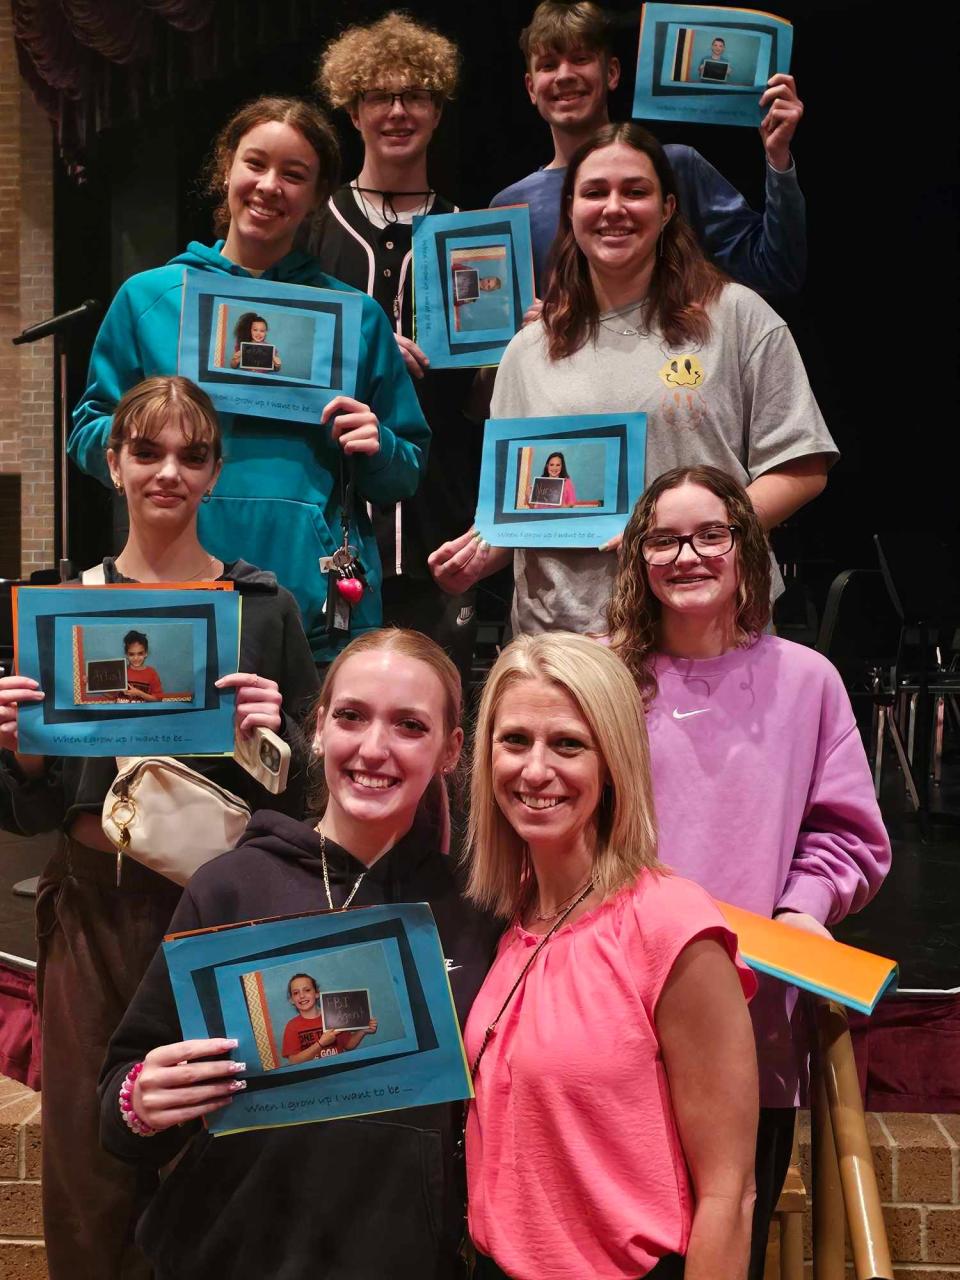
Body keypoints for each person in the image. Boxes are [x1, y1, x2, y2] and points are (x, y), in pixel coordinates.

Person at [0, 375, 320, 1280]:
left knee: (216, 1152)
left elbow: (303, 800)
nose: (168, 471)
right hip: (94, 919)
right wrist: (22, 755)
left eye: (190, 454)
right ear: (114, 463)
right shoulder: (63, 610)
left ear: (215, 472)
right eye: (147, 451)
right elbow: (32, 812)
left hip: (220, 917)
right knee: (87, 1171)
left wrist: (277, 738)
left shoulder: (264, 610)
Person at [97, 628, 500, 1280]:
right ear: (317, 728)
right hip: (228, 1254)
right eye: (351, 716)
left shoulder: (474, 912)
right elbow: (120, 1103)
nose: (374, 748)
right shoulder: (229, 887)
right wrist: (141, 1101)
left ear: (451, 750)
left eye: (409, 726)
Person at [607, 465, 892, 1280]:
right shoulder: (600, 676)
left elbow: (846, 835)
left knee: (724, 1239)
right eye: (663, 538)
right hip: (615, 1015)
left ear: (745, 546)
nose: (687, 555)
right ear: (638, 556)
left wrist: (807, 905)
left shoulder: (808, 682)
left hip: (750, 1020)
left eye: (710, 534)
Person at [429, 124, 836, 639]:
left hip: (707, 628)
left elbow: (803, 467)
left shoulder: (737, 317)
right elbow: (525, 509)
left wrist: (692, 535)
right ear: (570, 211)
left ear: (667, 209)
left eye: (635, 191)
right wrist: (480, 552)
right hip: (563, 644)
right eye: (595, 192)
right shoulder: (526, 353)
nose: (614, 208)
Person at [68, 95, 429, 666]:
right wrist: (144, 432)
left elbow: (406, 471)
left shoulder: (355, 317)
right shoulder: (149, 298)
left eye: (294, 175)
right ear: (226, 170)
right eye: (255, 164)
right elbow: (88, 436)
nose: (269, 186)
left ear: (315, 197)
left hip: (319, 611)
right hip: (174, 596)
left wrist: (378, 444)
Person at [464, 632, 759, 1280]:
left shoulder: (668, 923)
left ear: (612, 761)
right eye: (515, 741)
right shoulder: (498, 920)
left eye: (567, 743)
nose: (535, 770)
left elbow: (729, 1196)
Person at [315, 13, 481, 683]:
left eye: (415, 95)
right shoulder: (312, 227)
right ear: (352, 110)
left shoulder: (475, 235)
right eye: (379, 96)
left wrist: (514, 350)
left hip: (442, 515)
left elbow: (485, 402)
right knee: (335, 708)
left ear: (438, 109)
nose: (397, 110)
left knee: (437, 710)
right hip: (336, 522)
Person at [491, 0, 806, 295]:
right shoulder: (512, 207)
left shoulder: (676, 167)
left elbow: (775, 269)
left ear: (612, 73)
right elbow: (493, 327)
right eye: (548, 65)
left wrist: (778, 159)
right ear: (531, 88)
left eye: (580, 58)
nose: (564, 75)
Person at [280, 973, 377, 1063]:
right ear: (292, 1000)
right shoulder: (292, 1026)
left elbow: (348, 1045)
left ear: (317, 993)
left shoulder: (335, 1016)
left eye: (307, 990)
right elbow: (293, 1061)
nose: (301, 996)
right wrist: (320, 1044)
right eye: (296, 993)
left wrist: (363, 1031)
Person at [123, 630, 164, 701]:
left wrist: (139, 693)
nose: (136, 658)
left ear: (146, 653)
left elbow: (158, 698)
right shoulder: (121, 672)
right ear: (126, 654)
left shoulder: (151, 673)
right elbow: (110, 695)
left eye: (140, 653)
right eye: (131, 654)